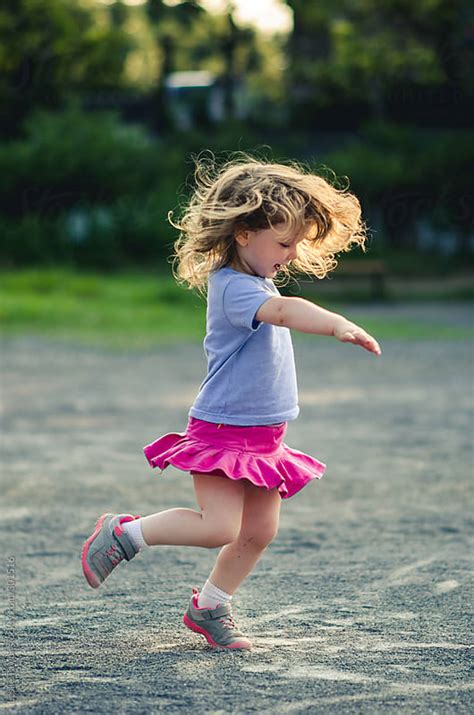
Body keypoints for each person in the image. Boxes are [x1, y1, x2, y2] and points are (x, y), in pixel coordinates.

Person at [81, 154, 381, 651]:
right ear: (244, 233)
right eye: (283, 242)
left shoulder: (257, 281)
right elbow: (286, 311)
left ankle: (210, 607)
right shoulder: (232, 289)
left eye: (296, 244)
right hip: (225, 432)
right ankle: (124, 534)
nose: (290, 254)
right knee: (220, 527)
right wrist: (336, 324)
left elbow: (280, 303)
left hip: (265, 438)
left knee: (259, 531)